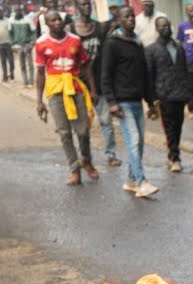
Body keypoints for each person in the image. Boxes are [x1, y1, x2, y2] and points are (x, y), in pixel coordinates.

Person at [35, 9, 100, 186]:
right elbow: (40, 73)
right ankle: (74, 170)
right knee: (64, 132)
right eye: (52, 21)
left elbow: (86, 66)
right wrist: (39, 101)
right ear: (46, 24)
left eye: (59, 19)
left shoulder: (75, 40)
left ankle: (86, 160)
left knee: (83, 130)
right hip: (55, 90)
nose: (57, 23)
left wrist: (93, 90)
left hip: (75, 87)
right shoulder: (41, 43)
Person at [103, 6, 158, 198]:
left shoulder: (137, 42)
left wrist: (151, 103)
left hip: (137, 101)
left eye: (132, 16)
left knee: (139, 143)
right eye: (126, 17)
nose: (131, 19)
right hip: (122, 103)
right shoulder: (112, 44)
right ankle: (142, 182)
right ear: (118, 20)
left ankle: (131, 180)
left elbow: (145, 75)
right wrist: (111, 101)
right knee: (133, 141)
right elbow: (106, 75)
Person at [73, 0, 120, 167]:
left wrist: (115, 11)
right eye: (83, 5)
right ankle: (85, 157)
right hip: (79, 84)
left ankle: (111, 154)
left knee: (106, 121)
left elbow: (116, 22)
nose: (86, 7)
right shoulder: (71, 30)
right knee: (82, 125)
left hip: (99, 82)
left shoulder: (99, 28)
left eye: (88, 4)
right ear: (77, 7)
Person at [145, 15, 192, 173]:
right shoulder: (151, 50)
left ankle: (172, 152)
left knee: (178, 126)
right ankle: (175, 157)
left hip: (180, 93)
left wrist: (190, 93)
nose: (165, 28)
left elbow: (185, 71)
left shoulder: (179, 47)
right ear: (156, 29)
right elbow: (149, 75)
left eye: (167, 25)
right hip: (164, 94)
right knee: (170, 126)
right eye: (162, 26)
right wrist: (151, 100)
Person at [10, 6, 33, 86]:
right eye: (16, 10)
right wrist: (12, 44)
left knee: (30, 64)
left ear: (22, 11)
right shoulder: (12, 20)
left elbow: (33, 31)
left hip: (27, 45)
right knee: (22, 64)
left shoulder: (27, 19)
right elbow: (10, 33)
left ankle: (31, 81)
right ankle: (25, 81)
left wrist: (32, 43)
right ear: (14, 11)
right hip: (18, 46)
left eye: (19, 10)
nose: (18, 12)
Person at [0, 5, 14, 80]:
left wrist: (14, 43)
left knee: (11, 61)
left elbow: (12, 32)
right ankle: (5, 76)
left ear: (3, 12)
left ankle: (11, 74)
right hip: (0, 45)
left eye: (0, 11)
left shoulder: (8, 20)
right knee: (3, 61)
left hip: (8, 44)